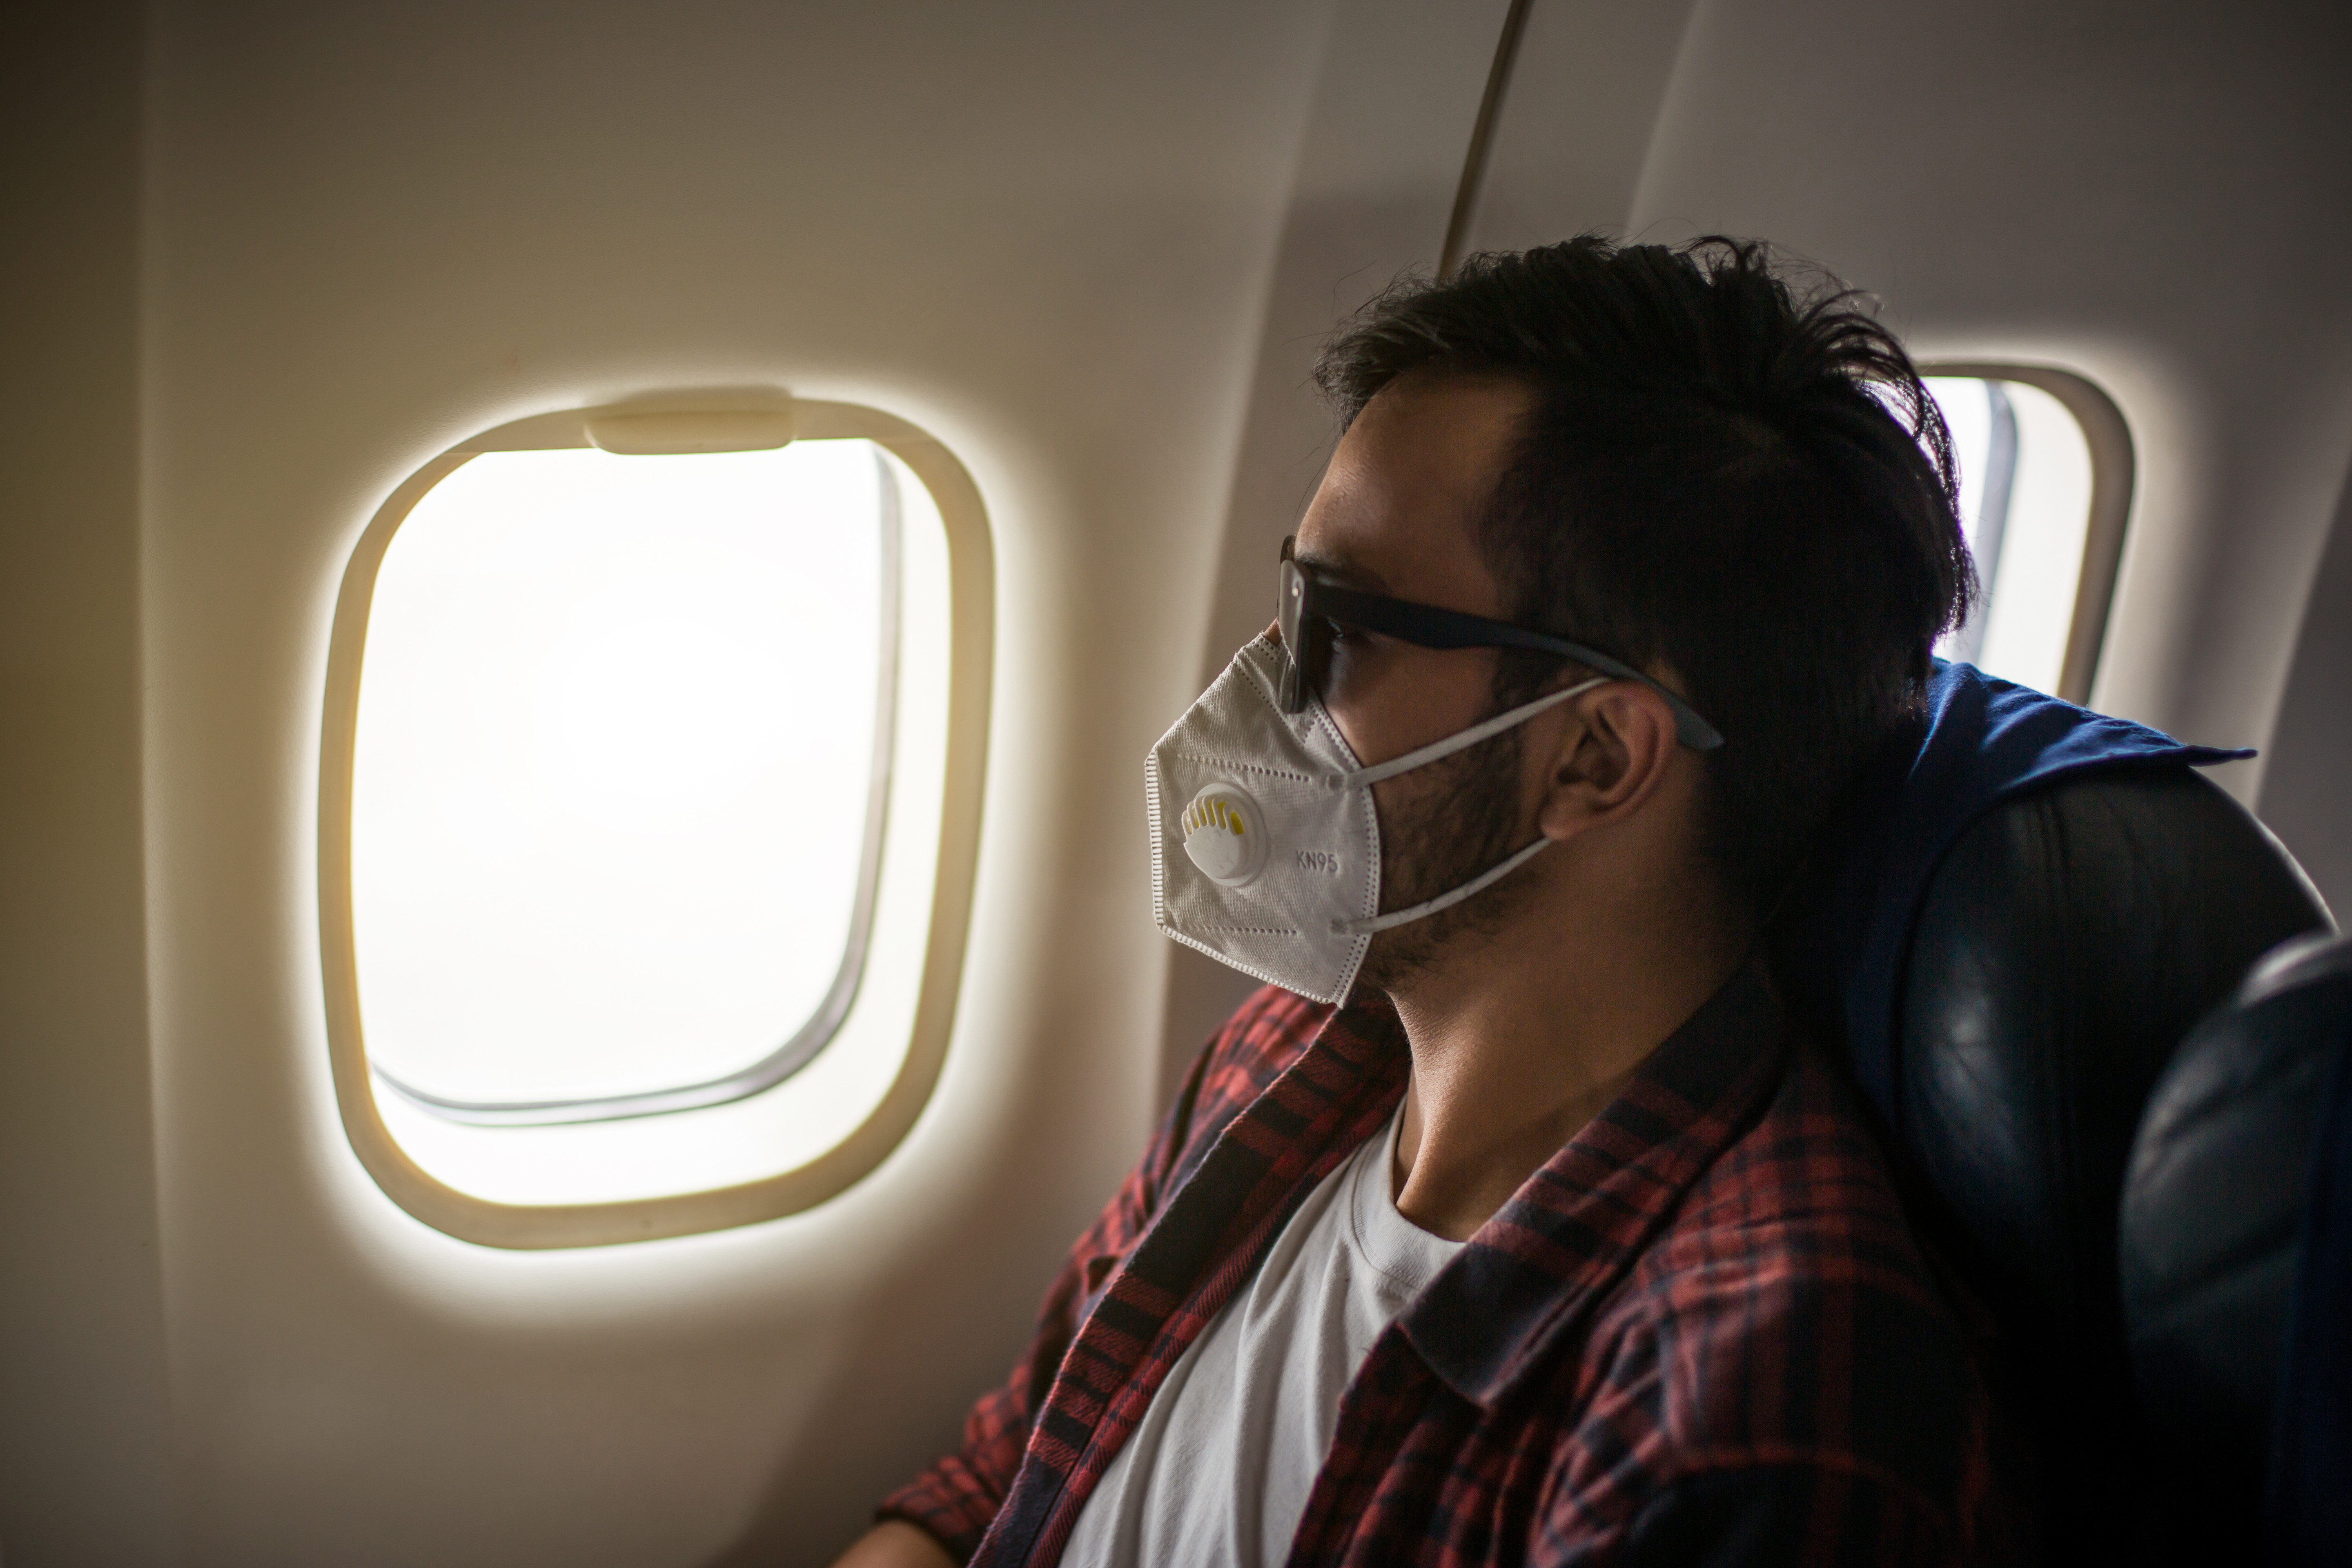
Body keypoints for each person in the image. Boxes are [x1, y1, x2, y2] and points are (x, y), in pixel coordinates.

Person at [833, 236, 2006, 1567]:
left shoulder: (1752, 1397)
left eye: (1346, 627)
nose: (1268, 681)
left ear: (1596, 757)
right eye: (1294, 602)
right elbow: (994, 1484)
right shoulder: (1296, 1050)